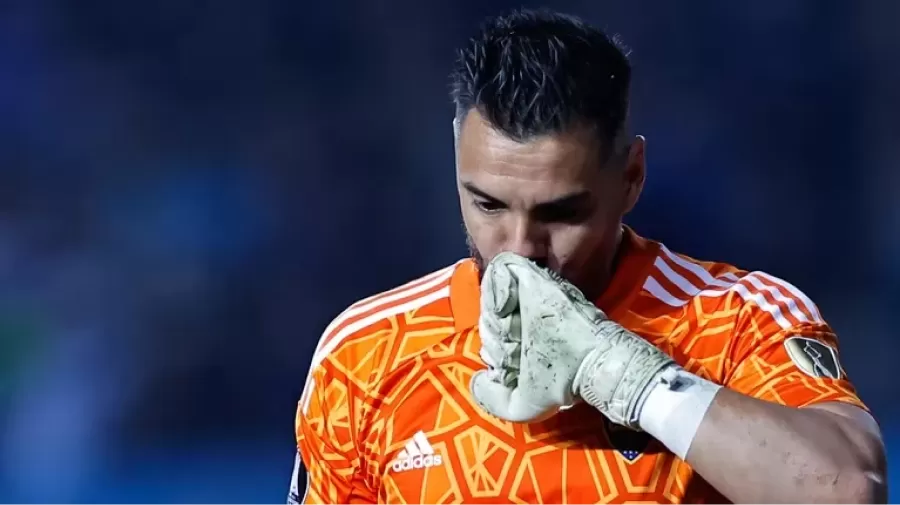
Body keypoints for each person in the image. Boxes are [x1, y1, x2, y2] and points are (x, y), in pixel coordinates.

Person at [288, 8, 887, 504]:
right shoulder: (364, 357)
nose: (519, 251)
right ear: (455, 158)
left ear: (631, 177)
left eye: (561, 213)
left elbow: (847, 492)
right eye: (489, 204)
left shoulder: (734, 322)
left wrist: (631, 379)